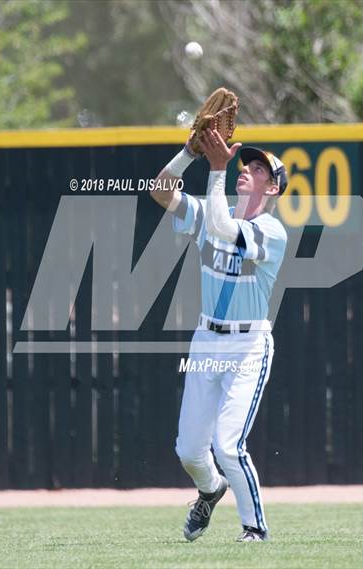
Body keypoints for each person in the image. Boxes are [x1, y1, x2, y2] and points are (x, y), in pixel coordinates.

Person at [150, 128, 288, 542]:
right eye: (244, 165)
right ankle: (211, 489)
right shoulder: (215, 210)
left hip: (248, 345)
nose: (246, 171)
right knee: (190, 452)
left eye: (258, 168)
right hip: (207, 339)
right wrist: (188, 155)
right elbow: (159, 191)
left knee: (228, 446)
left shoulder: (272, 231)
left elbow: (227, 230)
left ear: (274, 187)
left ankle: (254, 529)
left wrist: (216, 169)